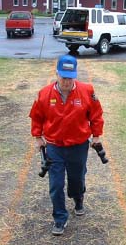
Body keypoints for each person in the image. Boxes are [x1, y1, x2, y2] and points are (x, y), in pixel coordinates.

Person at [29, 54, 104, 236]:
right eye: (63, 77)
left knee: (77, 180)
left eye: (70, 78)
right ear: (57, 74)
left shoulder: (87, 91)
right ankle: (60, 218)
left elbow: (96, 114)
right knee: (55, 185)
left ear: (75, 76)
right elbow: (36, 116)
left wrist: (96, 136)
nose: (66, 82)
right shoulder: (45, 94)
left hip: (78, 146)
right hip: (55, 147)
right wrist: (38, 136)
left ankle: (78, 199)